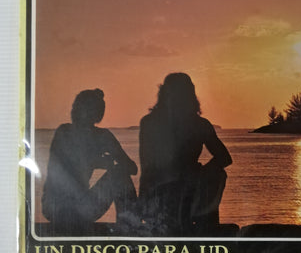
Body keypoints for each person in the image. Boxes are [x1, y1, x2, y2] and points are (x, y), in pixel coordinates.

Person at [139, 73, 232, 235]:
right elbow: (147, 165)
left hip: (190, 187)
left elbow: (224, 158)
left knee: (218, 174)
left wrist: (200, 172)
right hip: (163, 188)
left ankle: (207, 223)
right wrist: (144, 201)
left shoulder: (200, 124)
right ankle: (204, 223)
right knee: (214, 175)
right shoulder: (150, 123)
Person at [42, 89, 138, 234]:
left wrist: (102, 161)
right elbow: (131, 168)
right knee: (119, 175)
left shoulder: (63, 131)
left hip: (52, 209)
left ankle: (128, 228)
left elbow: (133, 168)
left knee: (118, 173)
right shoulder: (100, 136)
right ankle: (129, 229)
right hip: (72, 210)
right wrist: (106, 161)